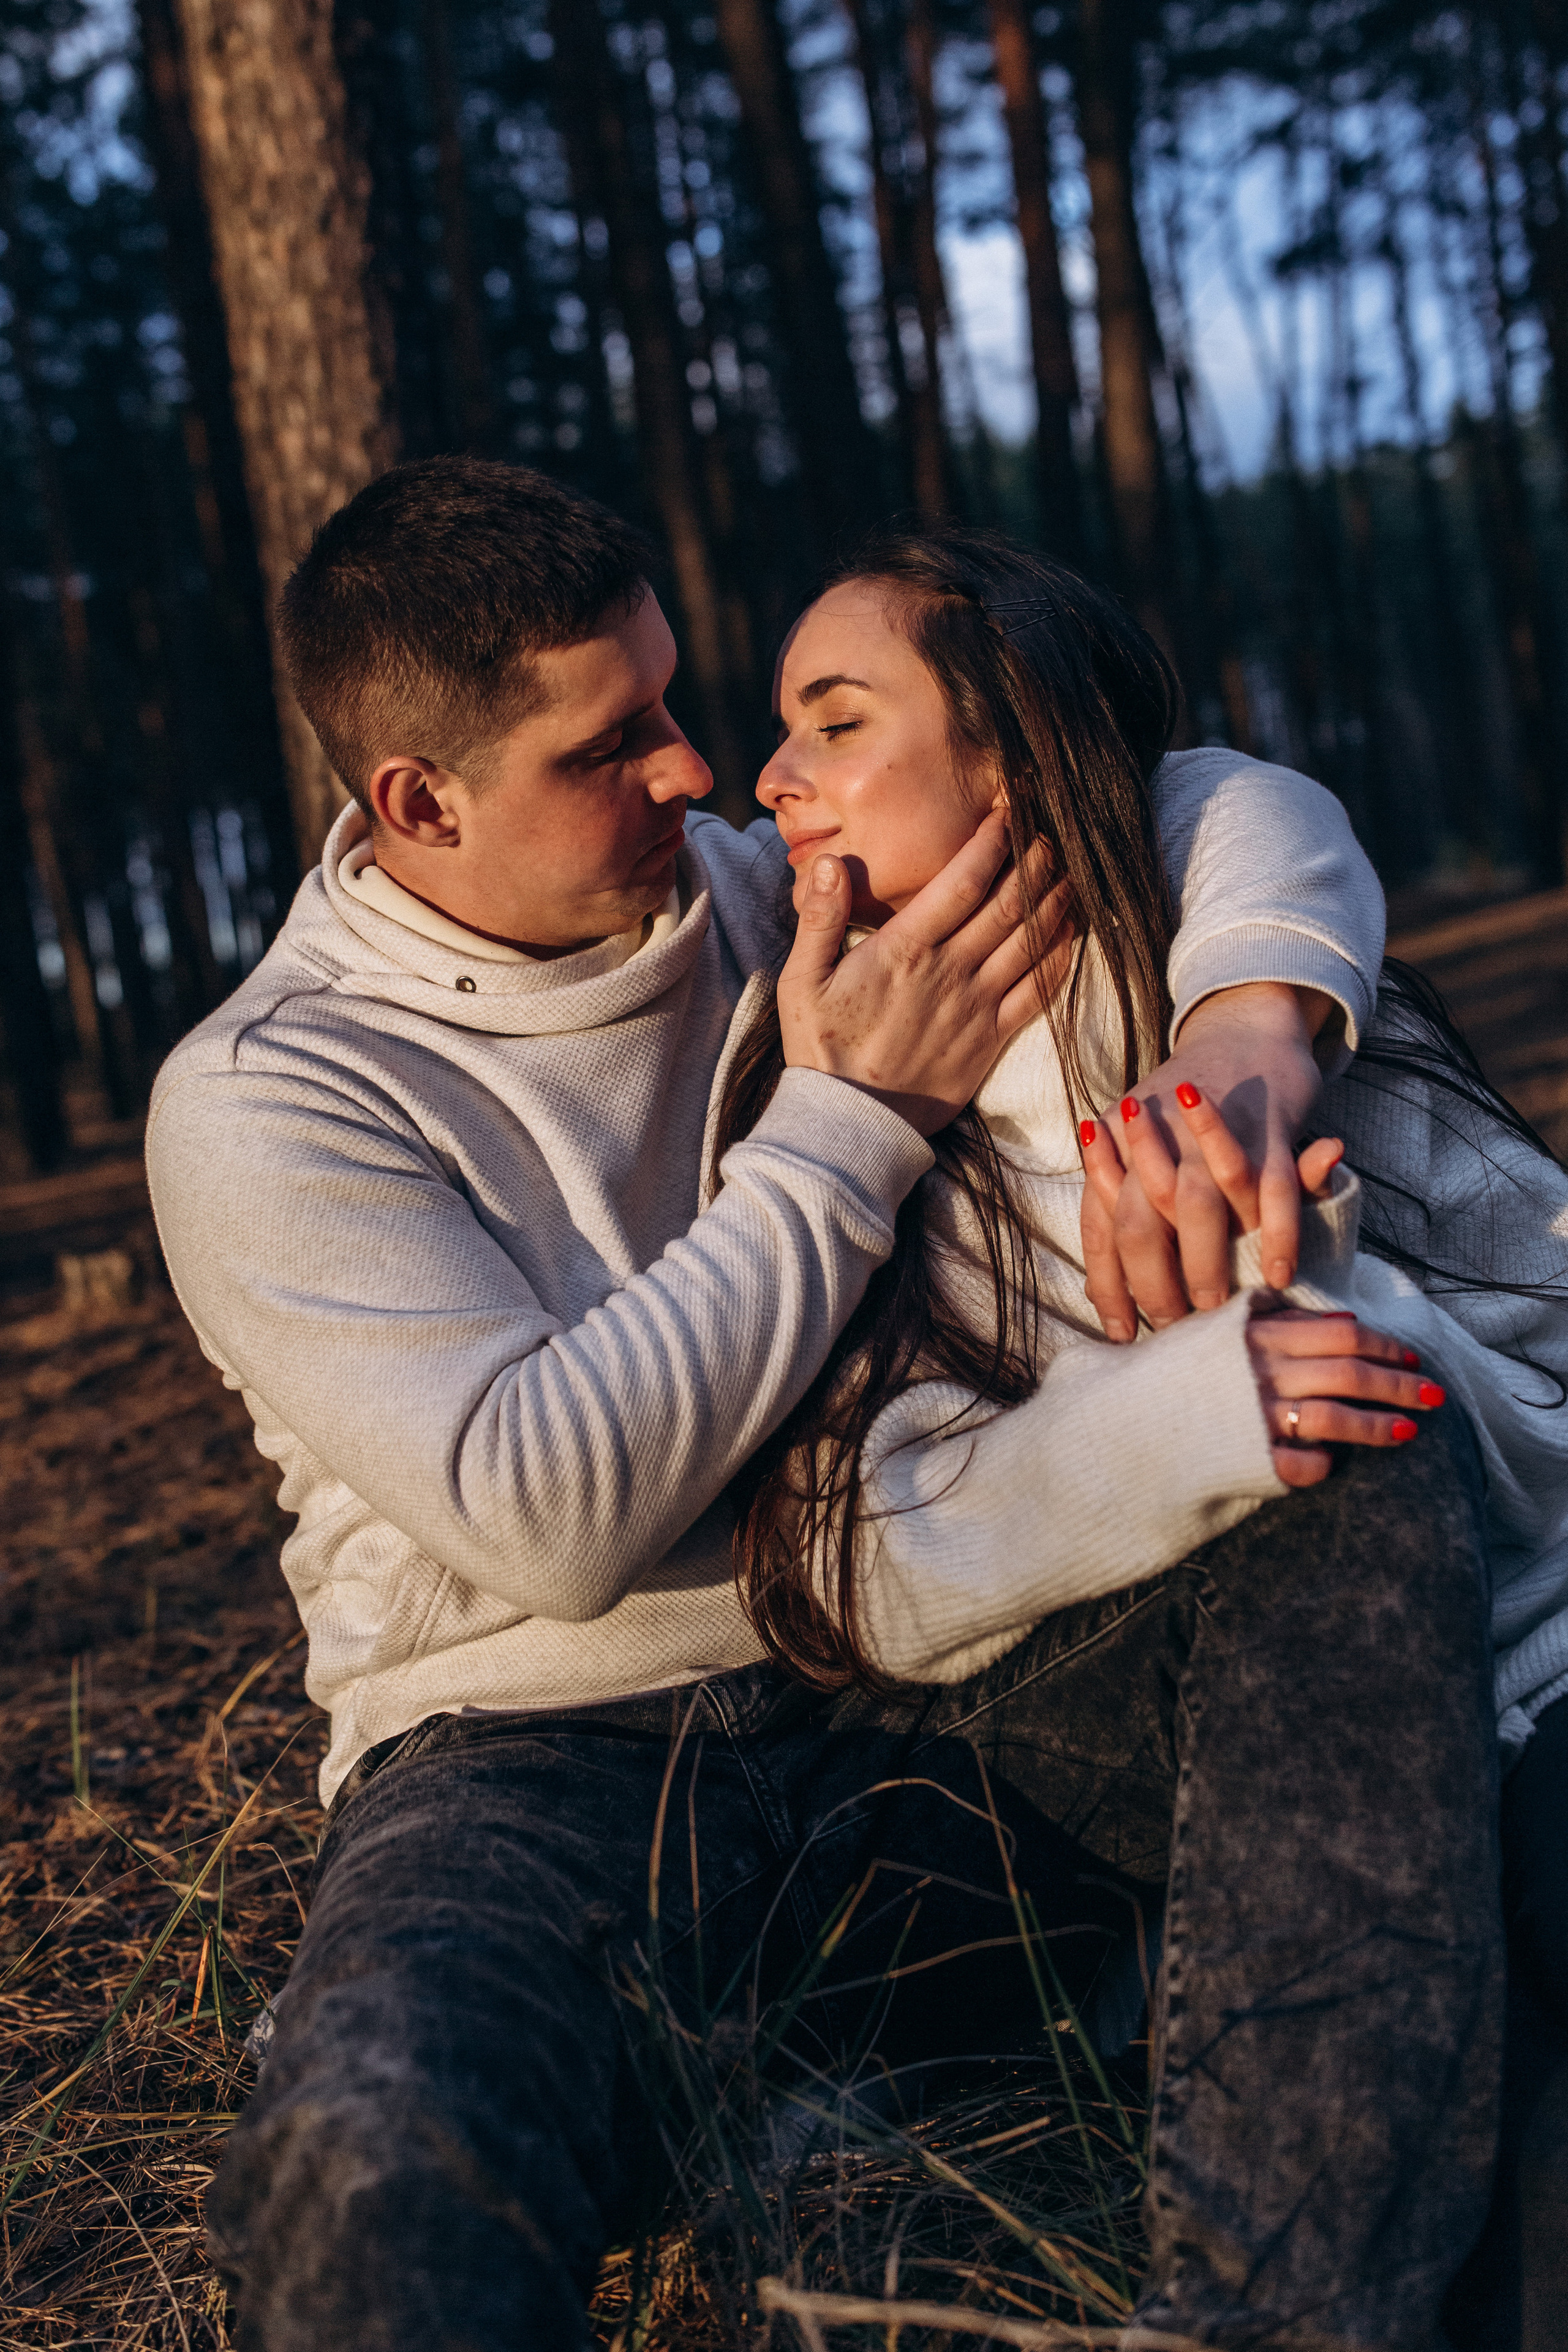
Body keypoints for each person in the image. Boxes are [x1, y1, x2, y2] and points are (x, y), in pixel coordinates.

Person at [145, 458, 1479, 2350]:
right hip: (538, 1765)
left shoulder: (777, 891)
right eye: (610, 748)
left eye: (679, 702)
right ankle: (782, 2115)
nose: (694, 774)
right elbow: (550, 1512)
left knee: (1345, 1456)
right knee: (379, 2157)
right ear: (418, 802)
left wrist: (1248, 1029)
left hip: (932, 1686)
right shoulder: (273, 1096)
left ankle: (1267, 2311)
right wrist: (851, 1121)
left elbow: (1183, 787)